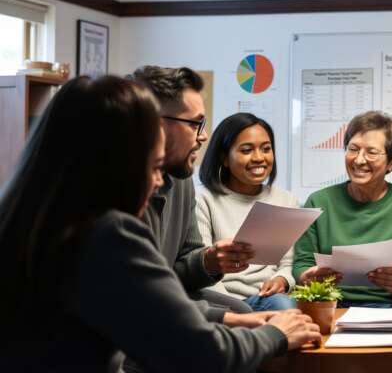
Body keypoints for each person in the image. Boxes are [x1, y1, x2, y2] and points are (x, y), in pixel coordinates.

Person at [0, 76, 321, 372]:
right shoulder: (106, 234)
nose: (157, 182)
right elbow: (202, 352)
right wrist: (276, 334)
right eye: (153, 166)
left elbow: (147, 307)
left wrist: (227, 317)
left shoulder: (34, 218)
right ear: (113, 163)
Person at [129, 66, 253, 313]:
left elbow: (180, 269)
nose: (204, 136)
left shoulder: (182, 180)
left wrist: (209, 261)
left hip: (162, 298)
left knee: (241, 310)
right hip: (139, 310)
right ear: (157, 124)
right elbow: (140, 295)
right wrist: (225, 321)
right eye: (195, 123)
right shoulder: (119, 191)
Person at [293, 111, 392, 308]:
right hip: (329, 302)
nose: (359, 160)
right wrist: (307, 277)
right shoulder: (318, 201)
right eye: (353, 149)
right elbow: (301, 264)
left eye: (371, 152)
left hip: (389, 304)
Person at [196, 112, 296, 311]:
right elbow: (201, 266)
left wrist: (282, 279)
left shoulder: (286, 200)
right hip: (221, 302)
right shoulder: (202, 199)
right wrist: (238, 310)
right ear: (224, 158)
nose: (259, 158)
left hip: (269, 299)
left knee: (284, 304)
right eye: (247, 150)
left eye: (266, 149)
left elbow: (288, 263)